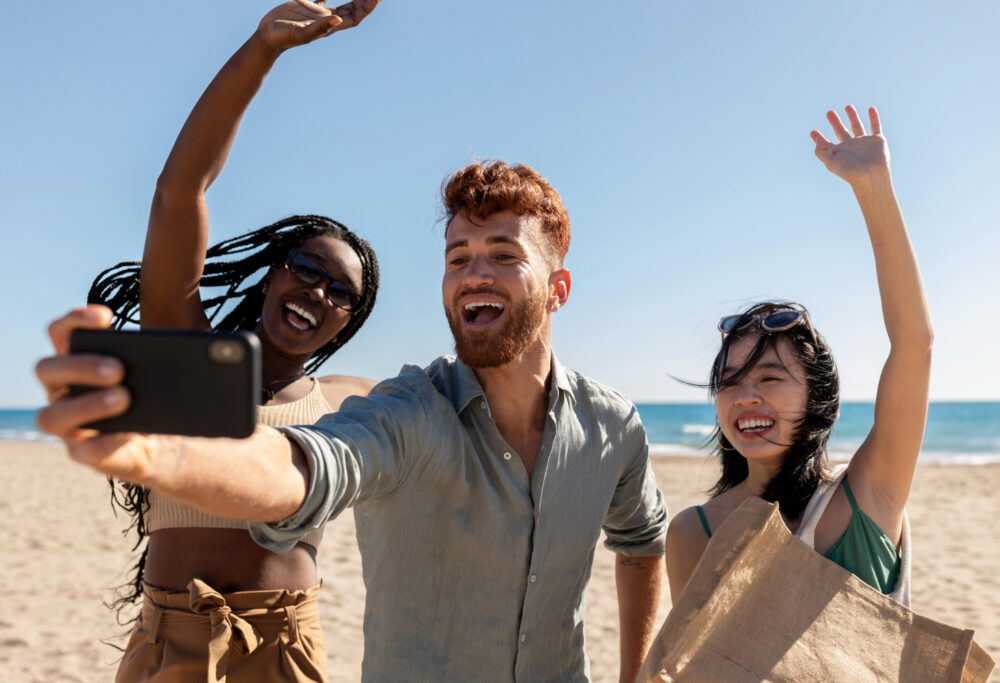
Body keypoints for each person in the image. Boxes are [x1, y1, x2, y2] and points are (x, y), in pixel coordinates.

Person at [37, 160, 669, 682]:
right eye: (457, 257)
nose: (474, 272)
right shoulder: (412, 411)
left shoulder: (613, 426)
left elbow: (642, 545)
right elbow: (304, 464)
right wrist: (161, 453)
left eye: (503, 254)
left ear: (558, 289)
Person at [84, 1, 382, 680]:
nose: (319, 294)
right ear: (276, 271)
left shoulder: (350, 398)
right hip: (168, 638)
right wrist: (261, 50)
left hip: (283, 646)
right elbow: (178, 190)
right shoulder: (189, 355)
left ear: (350, 321)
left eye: (343, 294)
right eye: (309, 270)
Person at [665, 106, 930, 608]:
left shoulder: (868, 495)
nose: (745, 397)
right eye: (730, 382)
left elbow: (913, 345)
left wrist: (874, 188)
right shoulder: (693, 534)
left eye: (769, 378)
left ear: (817, 397)